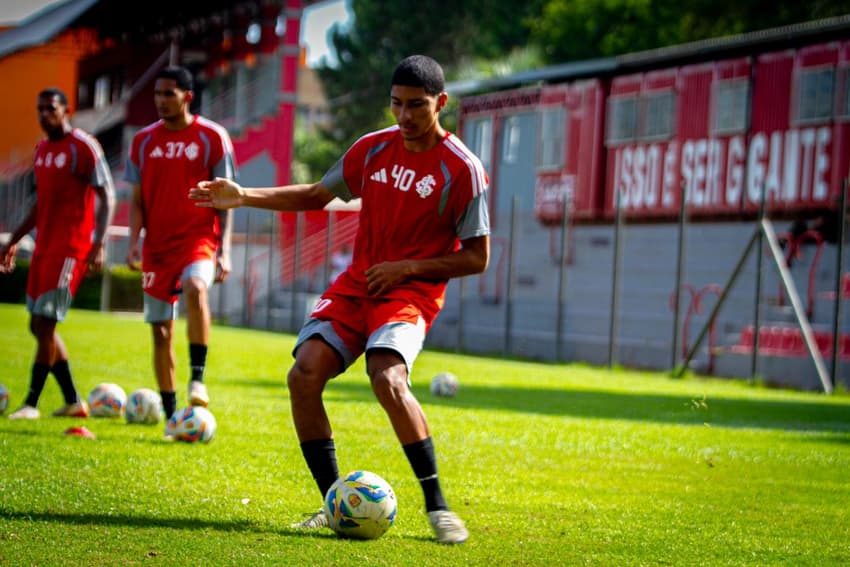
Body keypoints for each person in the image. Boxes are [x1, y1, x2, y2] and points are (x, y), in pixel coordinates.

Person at [190, 55, 489, 544]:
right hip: (357, 286)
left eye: (417, 105)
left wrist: (408, 267)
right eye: (397, 104)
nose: (405, 116)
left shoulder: (463, 169)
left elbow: (477, 258)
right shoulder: (371, 150)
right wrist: (243, 195)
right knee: (303, 373)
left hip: (409, 294)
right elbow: (314, 195)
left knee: (387, 378)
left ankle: (438, 506)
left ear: (441, 103)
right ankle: (337, 506)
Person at [125, 66, 236, 425]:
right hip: (157, 247)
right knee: (160, 331)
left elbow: (226, 198)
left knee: (195, 286)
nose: (160, 100)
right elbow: (138, 200)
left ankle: (198, 379)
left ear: (187, 96)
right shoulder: (142, 141)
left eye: (168, 94)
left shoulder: (212, 137)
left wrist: (225, 250)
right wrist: (133, 242)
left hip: (198, 239)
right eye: (157, 94)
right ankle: (173, 415)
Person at [0, 87, 115, 420]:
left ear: (67, 110)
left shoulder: (84, 147)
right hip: (43, 248)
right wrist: (13, 241)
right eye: (39, 109)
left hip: (70, 249)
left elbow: (107, 194)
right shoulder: (41, 151)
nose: (44, 115)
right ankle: (74, 401)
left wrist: (99, 244)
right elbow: (40, 204)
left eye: (50, 108)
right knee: (38, 327)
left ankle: (31, 404)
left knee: (45, 324)